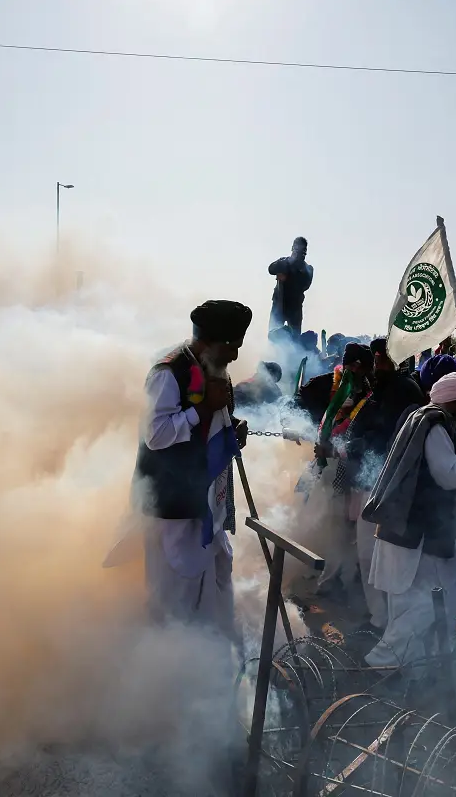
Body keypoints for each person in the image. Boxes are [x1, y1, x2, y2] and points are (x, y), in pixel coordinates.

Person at [129, 300, 252, 638]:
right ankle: (172, 666)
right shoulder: (169, 373)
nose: (236, 356)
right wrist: (203, 412)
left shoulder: (211, 366)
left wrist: (231, 425)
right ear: (211, 341)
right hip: (173, 504)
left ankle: (213, 651)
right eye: (232, 346)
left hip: (204, 498)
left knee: (217, 572)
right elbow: (156, 434)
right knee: (176, 589)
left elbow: (213, 416)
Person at [361, 372, 456, 673]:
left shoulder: (429, 419)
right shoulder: (436, 425)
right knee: (420, 610)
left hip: (418, 538)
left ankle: (425, 675)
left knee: (429, 611)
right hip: (419, 541)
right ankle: (381, 671)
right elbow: (449, 476)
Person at [348, 338, 427, 628]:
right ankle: (379, 618)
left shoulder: (404, 391)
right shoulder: (380, 390)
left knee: (385, 562)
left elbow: (388, 439)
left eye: (383, 359)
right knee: (369, 558)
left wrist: (351, 446)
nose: (377, 365)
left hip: (389, 487)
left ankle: (390, 624)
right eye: (377, 358)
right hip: (371, 482)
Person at [268, 237, 314, 334]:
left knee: (295, 338)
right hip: (279, 304)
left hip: (295, 307)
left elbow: (305, 285)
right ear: (293, 248)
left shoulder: (307, 268)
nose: (300, 254)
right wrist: (286, 263)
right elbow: (271, 269)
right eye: (298, 250)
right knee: (274, 333)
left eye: (303, 251)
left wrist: (290, 276)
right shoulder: (283, 261)